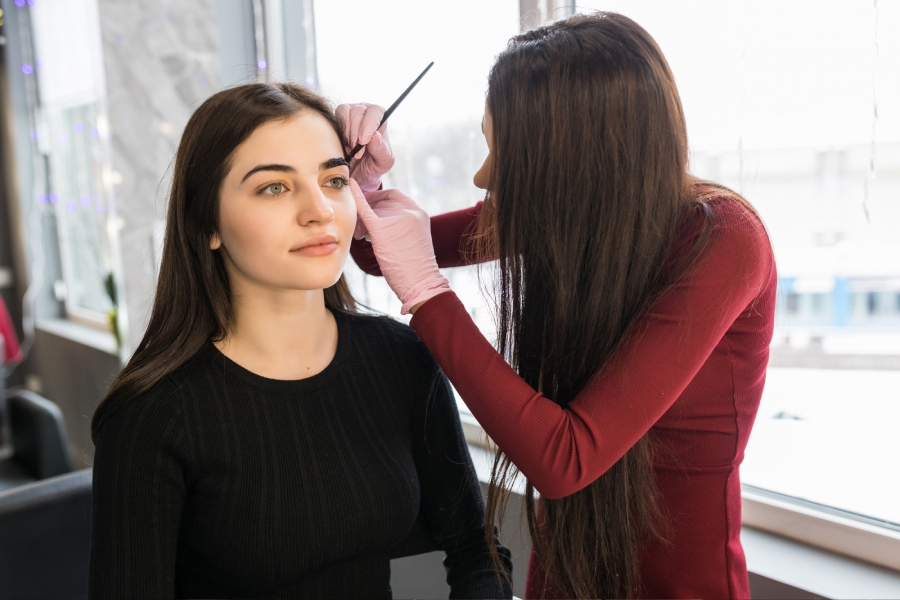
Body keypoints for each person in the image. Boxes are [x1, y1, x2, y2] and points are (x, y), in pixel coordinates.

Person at [344, 12, 776, 599]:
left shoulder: (722, 239)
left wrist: (426, 294)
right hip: (565, 575)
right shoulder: (575, 212)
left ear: (571, 158)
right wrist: (361, 184)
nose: (481, 176)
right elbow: (379, 254)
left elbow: (564, 460)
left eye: (502, 154)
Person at [88, 82, 512, 599]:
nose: (320, 210)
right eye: (274, 187)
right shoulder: (151, 417)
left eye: (334, 180)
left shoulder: (399, 357)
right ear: (207, 225)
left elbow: (477, 552)